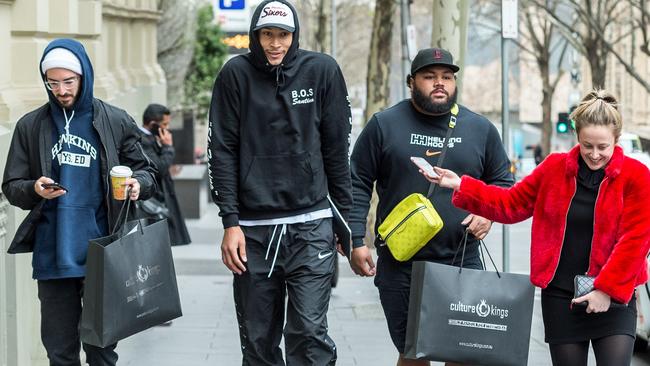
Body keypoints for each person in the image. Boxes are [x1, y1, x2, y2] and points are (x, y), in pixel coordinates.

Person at [425, 89, 650, 366]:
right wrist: (462, 184)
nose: (594, 154)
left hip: (614, 297)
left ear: (616, 140)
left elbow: (636, 239)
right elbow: (511, 204)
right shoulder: (554, 168)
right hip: (561, 297)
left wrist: (607, 290)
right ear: (577, 137)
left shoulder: (637, 176)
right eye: (586, 145)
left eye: (602, 147)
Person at [207, 1, 352, 365]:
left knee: (308, 333)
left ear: (294, 35)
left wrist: (351, 228)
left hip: (311, 224)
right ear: (256, 36)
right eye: (267, 34)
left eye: (283, 35)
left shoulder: (322, 71)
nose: (275, 43)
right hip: (253, 231)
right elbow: (221, 150)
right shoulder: (234, 75)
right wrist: (230, 223)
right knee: (258, 342)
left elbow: (337, 151)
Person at [349, 47, 514, 366]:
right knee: (412, 352)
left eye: (447, 77)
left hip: (460, 259)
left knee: (463, 352)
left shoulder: (479, 129)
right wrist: (356, 240)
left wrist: (487, 213)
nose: (440, 83)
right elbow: (356, 183)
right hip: (401, 262)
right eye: (429, 76)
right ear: (412, 82)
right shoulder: (384, 124)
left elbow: (503, 182)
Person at [1, 39, 157, 365]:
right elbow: (12, 186)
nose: (61, 90)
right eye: (53, 82)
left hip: (103, 250)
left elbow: (148, 173)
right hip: (53, 251)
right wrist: (34, 188)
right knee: (59, 353)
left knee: (102, 350)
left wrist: (136, 185)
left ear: (84, 76)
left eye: (68, 81)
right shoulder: (31, 126)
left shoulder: (115, 120)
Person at [138, 103, 191, 246]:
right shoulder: (142, 140)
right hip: (152, 201)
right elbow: (158, 168)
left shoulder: (151, 138)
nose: (167, 128)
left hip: (160, 197)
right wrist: (167, 147)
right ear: (153, 124)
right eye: (164, 124)